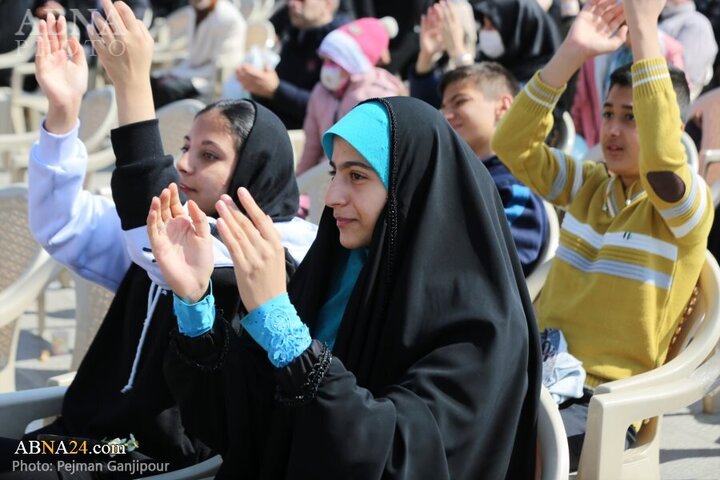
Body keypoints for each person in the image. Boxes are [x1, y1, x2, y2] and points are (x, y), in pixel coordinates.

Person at [0, 2, 315, 476]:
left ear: (254, 174)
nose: (184, 164)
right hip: (89, 442)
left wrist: (132, 85)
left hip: (143, 459)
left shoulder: (269, 256)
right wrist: (63, 115)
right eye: (186, 147)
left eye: (209, 155)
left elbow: (160, 248)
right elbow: (63, 223)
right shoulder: (163, 228)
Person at [153, 96, 541, 479]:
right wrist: (195, 304)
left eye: (358, 176)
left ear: (411, 184)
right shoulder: (337, 273)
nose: (334, 196)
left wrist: (285, 331)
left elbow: (399, 460)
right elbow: (242, 422)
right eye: (334, 173)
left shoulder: (482, 326)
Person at [492, 0, 713, 470]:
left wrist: (643, 26)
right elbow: (510, 144)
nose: (612, 129)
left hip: (602, 403)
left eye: (631, 117)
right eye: (609, 113)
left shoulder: (685, 208)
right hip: (532, 376)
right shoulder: (591, 184)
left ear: (669, 127)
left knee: (493, 449)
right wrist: (571, 53)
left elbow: (661, 161)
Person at [440, 62, 549, 275]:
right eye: (443, 107)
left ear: (503, 106)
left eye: (459, 102)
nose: (446, 116)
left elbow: (495, 262)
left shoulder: (516, 183)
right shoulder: (453, 176)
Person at [295, 16, 405, 176]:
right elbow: (311, 147)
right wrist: (299, 183)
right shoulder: (320, 92)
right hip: (322, 178)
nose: (327, 67)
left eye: (335, 62)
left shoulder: (381, 95)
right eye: (325, 60)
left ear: (354, 63)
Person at [235, 0, 345, 129]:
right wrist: (256, 85)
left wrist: (276, 90)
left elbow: (333, 108)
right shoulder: (293, 35)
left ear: (328, 4)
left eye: (302, 0)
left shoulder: (339, 46)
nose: (292, 4)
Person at [150, 0, 245, 108]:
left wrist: (179, 75)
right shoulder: (193, 11)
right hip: (190, 70)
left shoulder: (229, 19)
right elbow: (192, 56)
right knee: (153, 81)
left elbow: (221, 65)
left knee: (166, 89)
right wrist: (174, 73)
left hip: (208, 79)